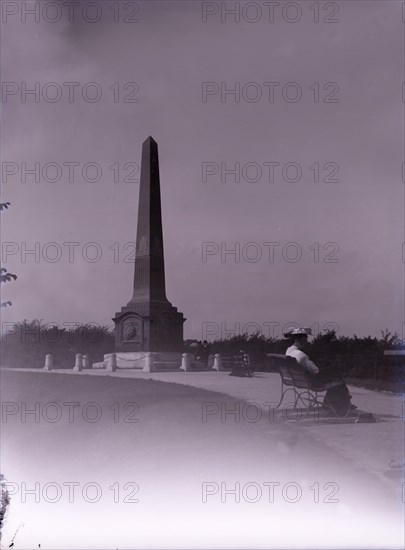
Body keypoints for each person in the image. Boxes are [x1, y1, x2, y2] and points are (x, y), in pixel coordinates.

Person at [284, 328, 356, 416]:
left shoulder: (289, 351)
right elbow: (315, 371)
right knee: (337, 374)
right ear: (297, 340)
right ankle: (343, 403)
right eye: (305, 339)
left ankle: (331, 403)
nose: (306, 342)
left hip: (297, 379)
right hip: (313, 382)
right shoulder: (301, 355)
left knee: (335, 376)